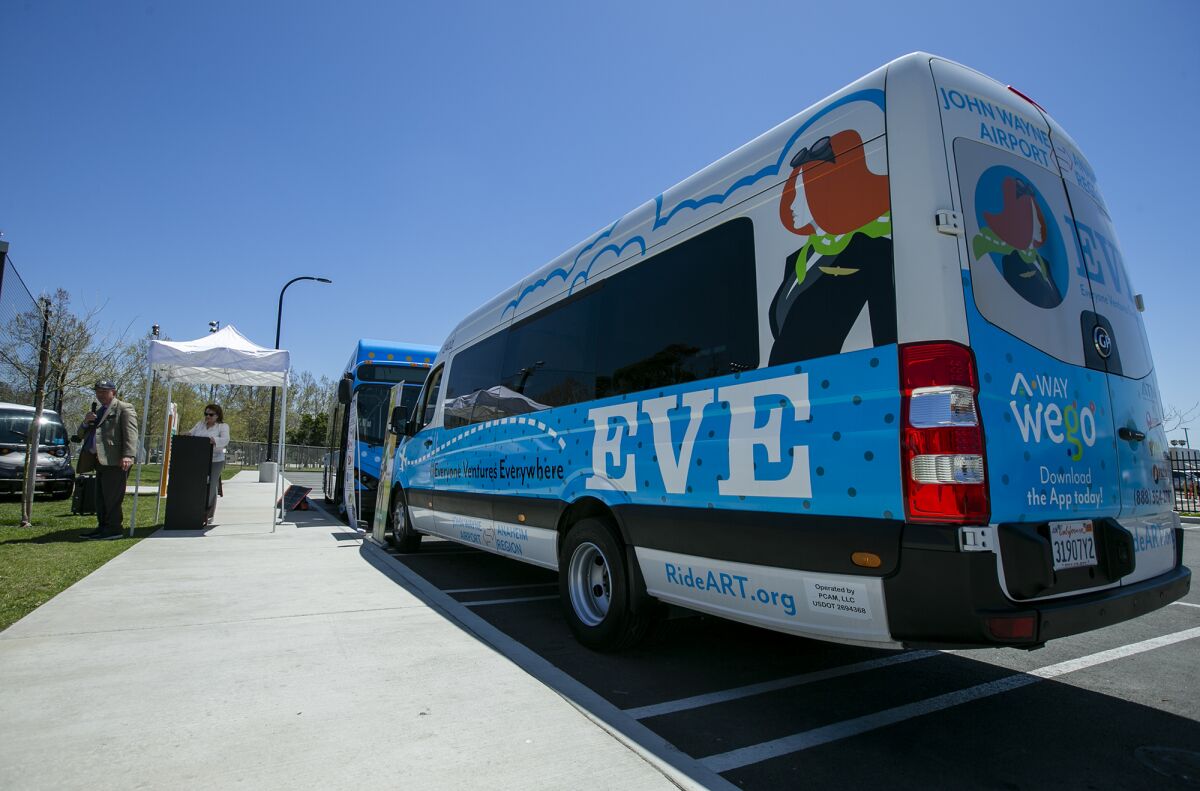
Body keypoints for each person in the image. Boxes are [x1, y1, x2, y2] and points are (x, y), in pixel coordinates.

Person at [76, 380, 139, 540]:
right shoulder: (97, 411)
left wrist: (128, 455)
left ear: (113, 392)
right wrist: (85, 422)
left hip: (116, 461)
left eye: (104, 392)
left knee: (112, 498)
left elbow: (131, 433)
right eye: (98, 392)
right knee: (100, 498)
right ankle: (102, 526)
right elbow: (80, 435)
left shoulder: (124, 408)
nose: (100, 395)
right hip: (99, 461)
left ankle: (114, 529)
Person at [188, 404, 229, 524]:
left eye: (211, 414)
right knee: (198, 485)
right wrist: (186, 435)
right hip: (199, 459)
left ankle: (208, 514)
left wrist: (213, 440)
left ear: (217, 415)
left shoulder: (222, 426)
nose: (208, 416)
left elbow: (225, 440)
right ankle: (194, 510)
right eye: (206, 414)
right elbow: (191, 434)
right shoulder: (200, 425)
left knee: (211, 486)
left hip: (216, 460)